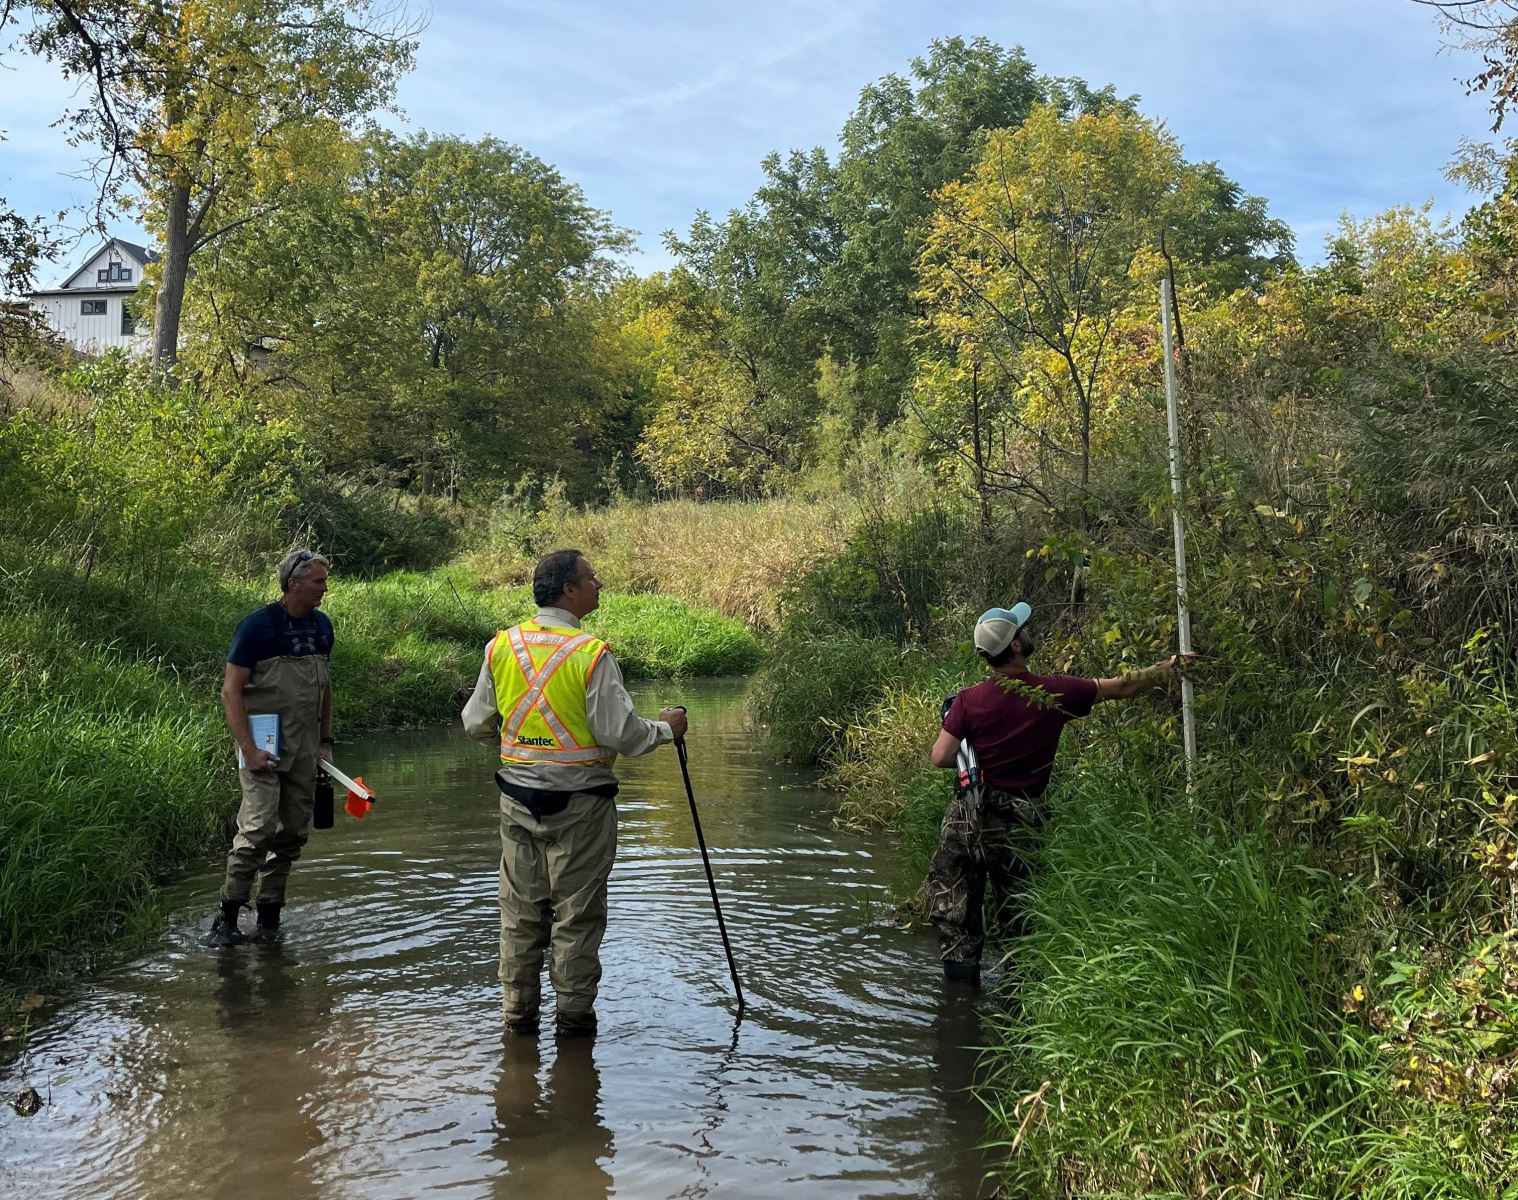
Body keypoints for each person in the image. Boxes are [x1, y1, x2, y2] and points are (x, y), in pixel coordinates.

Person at [462, 548, 688, 1038]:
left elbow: (476, 723)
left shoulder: (502, 645)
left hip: (516, 800)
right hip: (582, 806)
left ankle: (518, 1025)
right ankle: (574, 1030)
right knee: (577, 918)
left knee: (520, 917)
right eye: (591, 578)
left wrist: (522, 746)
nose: (598, 584)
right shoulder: (590, 653)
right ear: (569, 589)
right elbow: (621, 736)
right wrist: (667, 729)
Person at [925, 602, 1194, 985]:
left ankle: (957, 1019)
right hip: (1020, 820)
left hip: (966, 817)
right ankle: (1016, 1016)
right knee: (1018, 915)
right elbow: (1124, 687)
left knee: (957, 921)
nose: (1027, 630)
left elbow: (941, 757)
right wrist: (1171, 667)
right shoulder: (1053, 692)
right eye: (1022, 628)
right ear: (1015, 645)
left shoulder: (968, 700)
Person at [209, 549, 335, 948]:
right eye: (318, 581)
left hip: (305, 750)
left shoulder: (322, 628)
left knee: (293, 834)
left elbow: (325, 688)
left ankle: (268, 919)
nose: (325, 589)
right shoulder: (256, 628)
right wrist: (248, 749)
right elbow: (230, 692)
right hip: (262, 748)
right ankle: (227, 918)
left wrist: (326, 743)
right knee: (258, 829)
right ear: (292, 583)